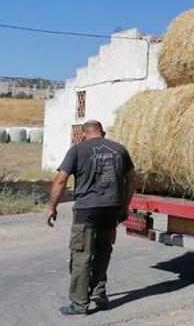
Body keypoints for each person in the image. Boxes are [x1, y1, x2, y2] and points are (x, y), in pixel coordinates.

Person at [46, 120, 137, 316]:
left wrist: (52, 207)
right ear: (102, 133)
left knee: (81, 255)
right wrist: (125, 205)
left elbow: (61, 179)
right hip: (111, 209)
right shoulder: (119, 149)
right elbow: (132, 177)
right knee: (103, 250)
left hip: (87, 210)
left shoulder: (77, 150)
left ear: (83, 134)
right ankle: (99, 294)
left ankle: (79, 304)